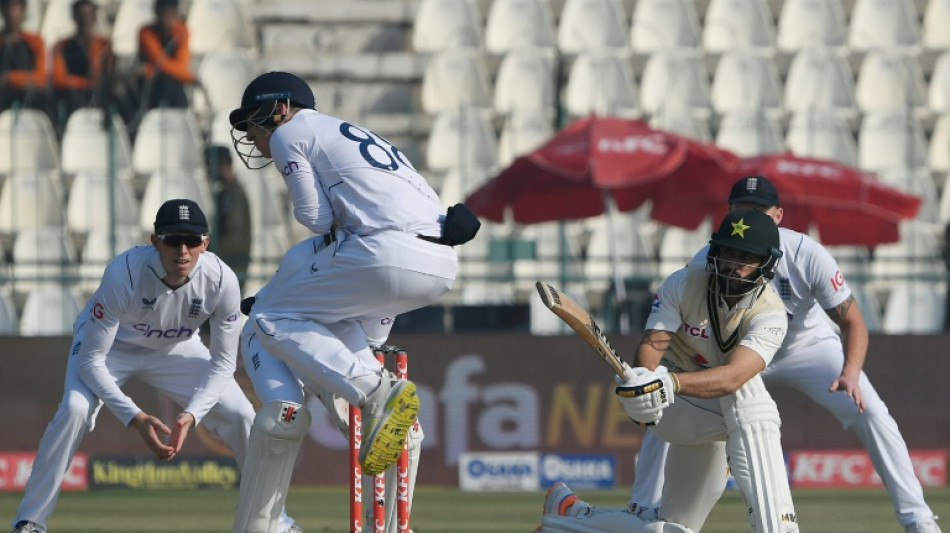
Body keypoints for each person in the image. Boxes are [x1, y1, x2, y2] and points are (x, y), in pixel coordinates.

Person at [228, 71, 471, 532]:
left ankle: (376, 392)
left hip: (383, 254)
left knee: (269, 315)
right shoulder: (356, 135)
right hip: (436, 263)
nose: (253, 136)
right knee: (350, 378)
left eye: (254, 122)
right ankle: (395, 512)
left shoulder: (290, 133)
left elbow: (314, 218)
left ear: (280, 107)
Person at [629, 176, 943, 533]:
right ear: (730, 214)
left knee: (871, 412)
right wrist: (653, 378)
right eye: (742, 211)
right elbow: (672, 329)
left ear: (778, 215)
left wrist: (851, 371)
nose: (751, 220)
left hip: (805, 346)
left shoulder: (807, 254)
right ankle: (642, 506)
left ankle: (918, 520)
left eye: (759, 211)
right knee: (663, 400)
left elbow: (853, 321)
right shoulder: (708, 259)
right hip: (735, 350)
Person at [9, 199, 301, 533]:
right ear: (155, 241)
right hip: (110, 349)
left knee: (243, 415)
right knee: (74, 409)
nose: (183, 251)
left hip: (177, 348)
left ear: (205, 243)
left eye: (192, 241)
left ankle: (274, 522)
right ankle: (31, 521)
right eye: (173, 240)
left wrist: (192, 414)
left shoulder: (222, 280)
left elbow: (223, 363)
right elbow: (90, 362)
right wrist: (134, 417)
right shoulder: (124, 272)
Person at [540, 208, 798, 533]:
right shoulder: (684, 281)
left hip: (706, 411)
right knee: (755, 406)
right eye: (729, 254)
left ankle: (567, 521)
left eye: (744, 258)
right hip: (673, 410)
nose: (733, 267)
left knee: (672, 528)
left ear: (766, 264)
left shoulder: (770, 314)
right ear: (716, 252)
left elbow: (734, 376)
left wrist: (669, 382)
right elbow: (652, 345)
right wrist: (645, 382)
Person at [50, 0, 114, 123]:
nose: (86, 20)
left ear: (95, 17)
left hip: (99, 97)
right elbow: (60, 79)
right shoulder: (62, 46)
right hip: (73, 97)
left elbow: (107, 75)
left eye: (90, 15)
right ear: (74, 17)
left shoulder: (104, 45)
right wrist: (86, 84)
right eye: (82, 15)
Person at [207, 145, 251, 291]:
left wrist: (208, 256)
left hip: (231, 267)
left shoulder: (233, 194)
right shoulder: (225, 192)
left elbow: (234, 234)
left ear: (222, 165)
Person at [136, 0, 193, 110]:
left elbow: (182, 65)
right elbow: (161, 63)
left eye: (171, 13)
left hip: (174, 84)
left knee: (172, 82)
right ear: (157, 13)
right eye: (164, 13)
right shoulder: (146, 33)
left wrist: (149, 69)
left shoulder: (182, 31)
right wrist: (190, 77)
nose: (167, 18)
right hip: (151, 86)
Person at [0, 0, 47, 113]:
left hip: (29, 100)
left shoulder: (35, 41)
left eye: (16, 7)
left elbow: (41, 78)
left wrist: (9, 78)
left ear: (23, 10)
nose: (12, 13)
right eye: (9, 7)